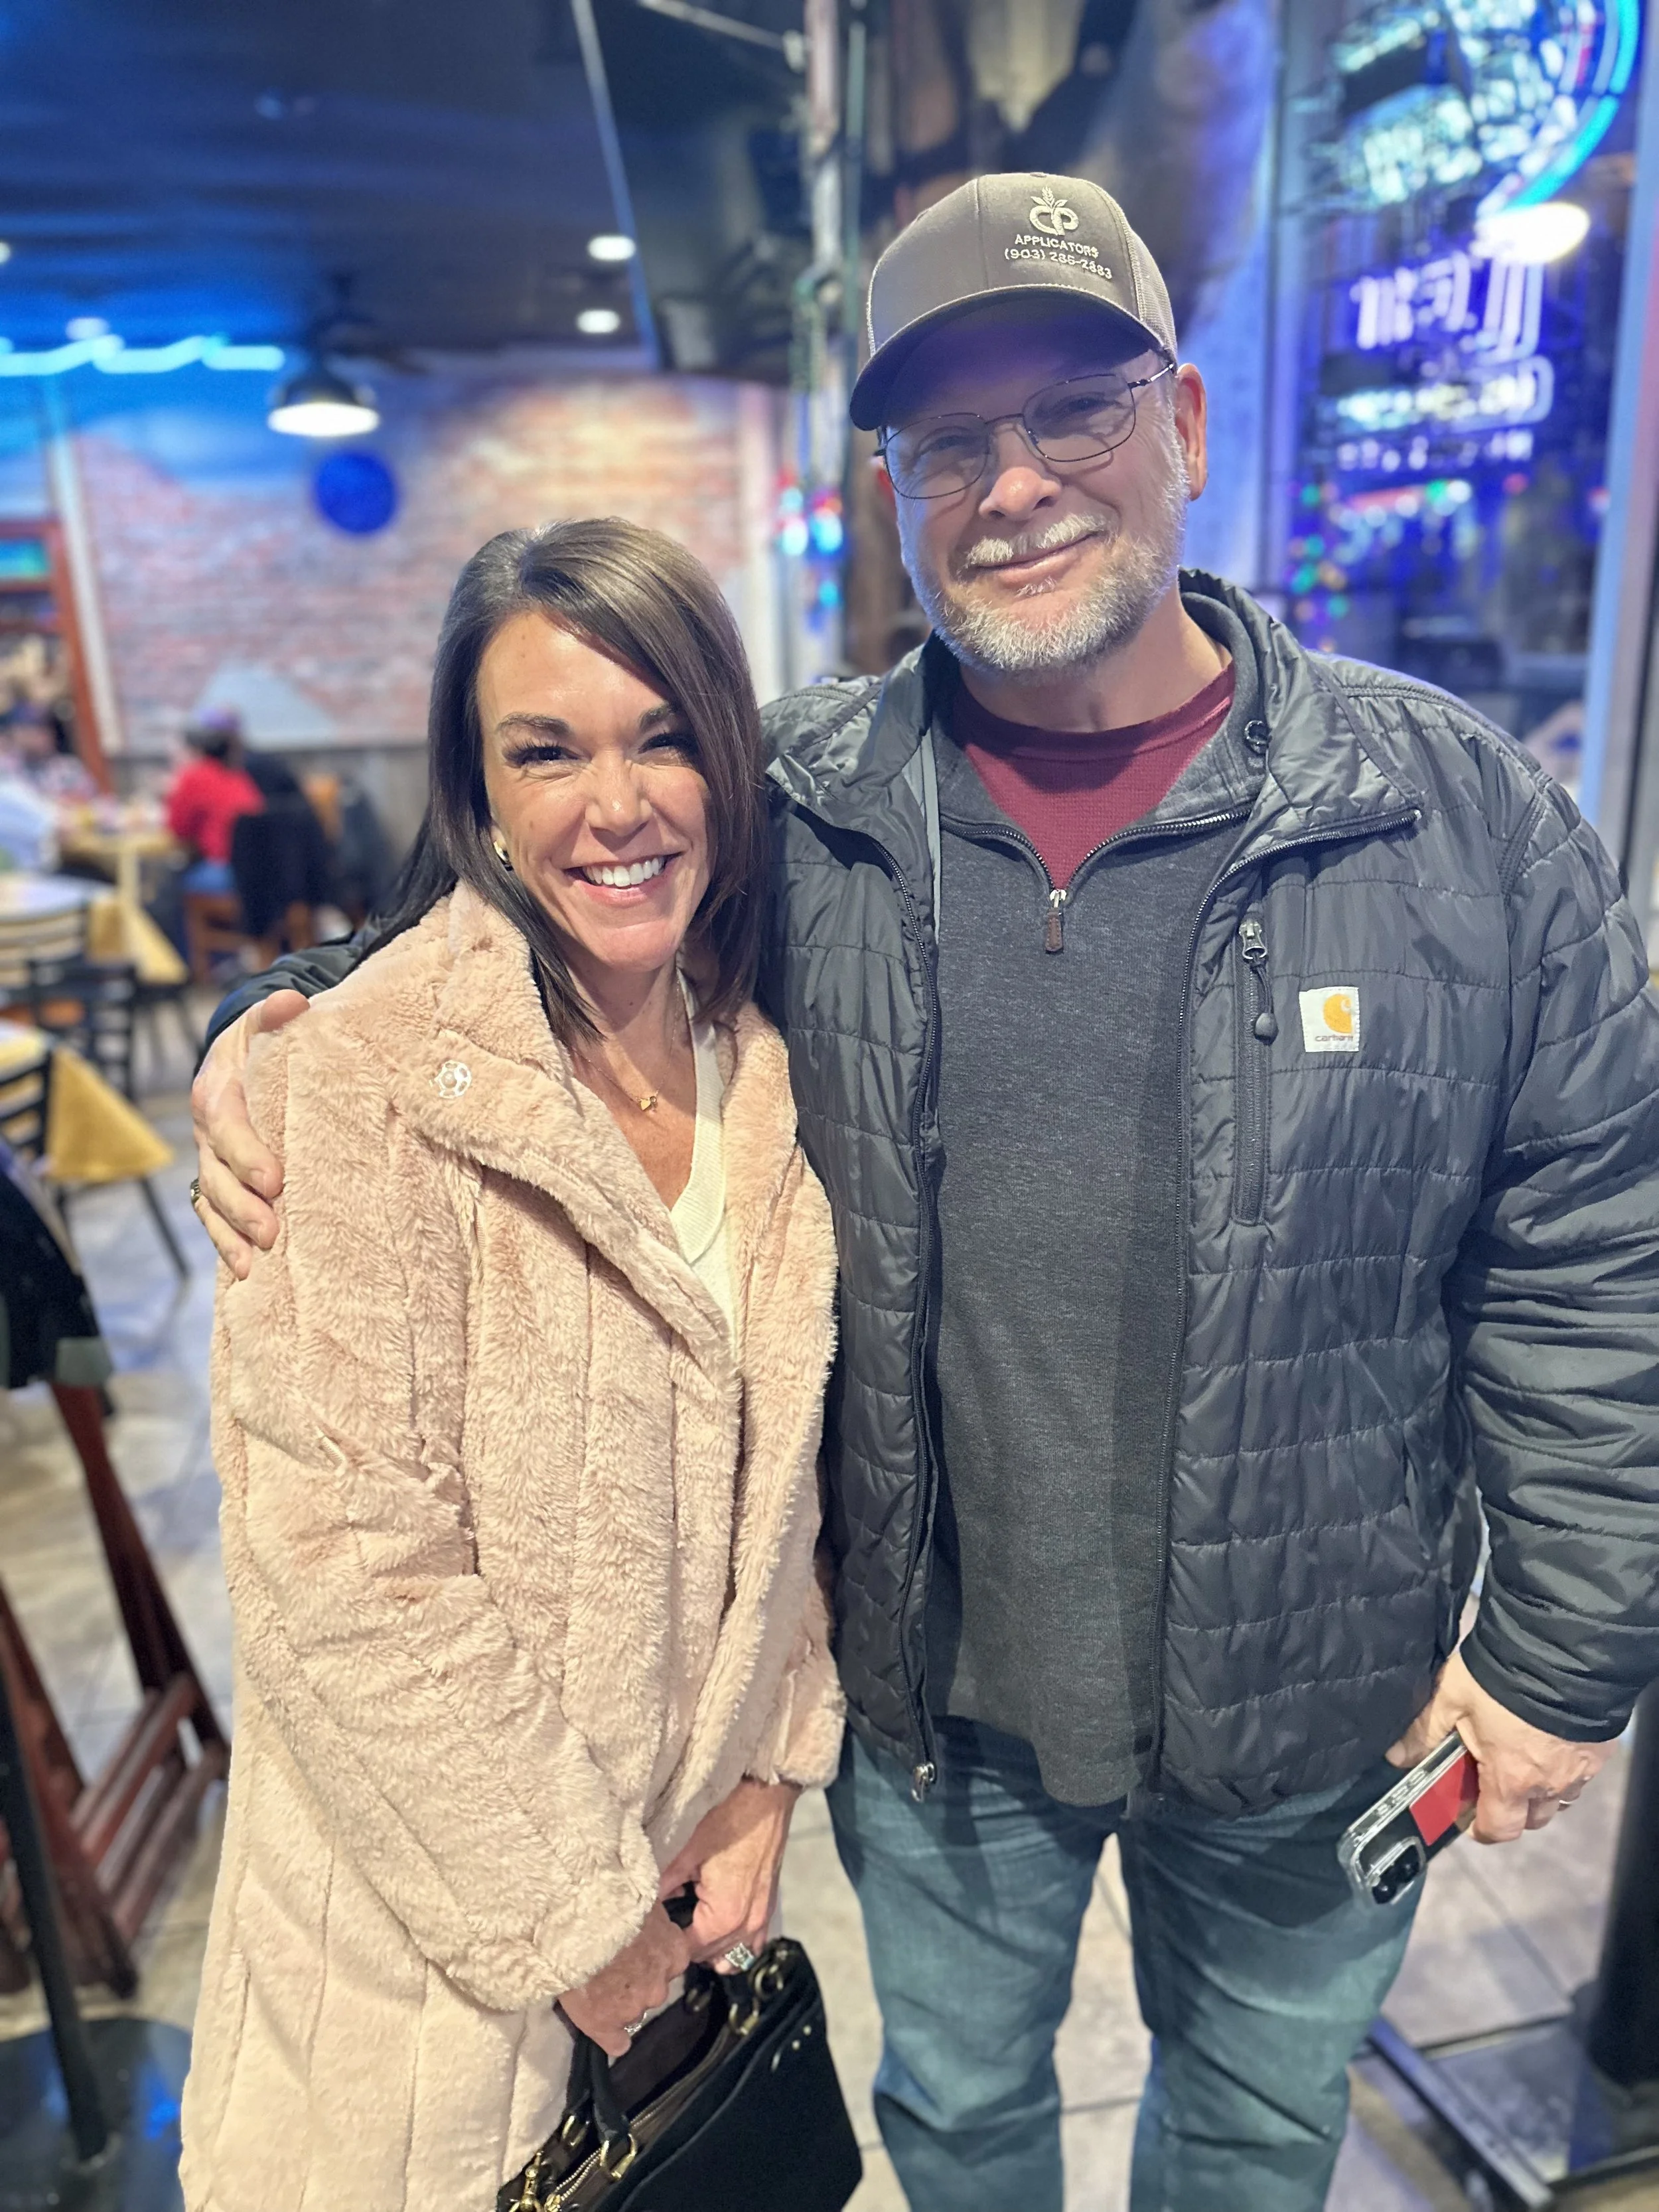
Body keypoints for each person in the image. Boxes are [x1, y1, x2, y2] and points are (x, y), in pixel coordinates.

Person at [188, 176, 1659, 2212]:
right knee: (962, 2129)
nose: (1014, 483)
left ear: (1187, 428)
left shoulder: (1452, 816)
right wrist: (277, 1017)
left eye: (1071, 410)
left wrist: (1556, 1654)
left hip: (1322, 1697)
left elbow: (1590, 1248)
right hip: (936, 1698)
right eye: (948, 441)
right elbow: (527, 907)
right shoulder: (805, 806)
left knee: (1248, 2139)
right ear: (893, 487)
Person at [178, 518, 842, 2212]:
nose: (613, 806)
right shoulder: (361, 1083)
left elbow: (796, 1479)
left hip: (678, 1925)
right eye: (545, 750)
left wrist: (772, 1768)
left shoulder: (761, 1056)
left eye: (662, 736)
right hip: (424, 1979)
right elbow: (344, 1578)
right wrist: (594, 1945)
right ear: (475, 796)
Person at [165, 710, 263, 890]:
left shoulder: (194, 777)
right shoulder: (237, 775)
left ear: (194, 750)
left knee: (172, 884)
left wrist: (172, 791)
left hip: (225, 869)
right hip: (259, 868)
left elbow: (178, 829)